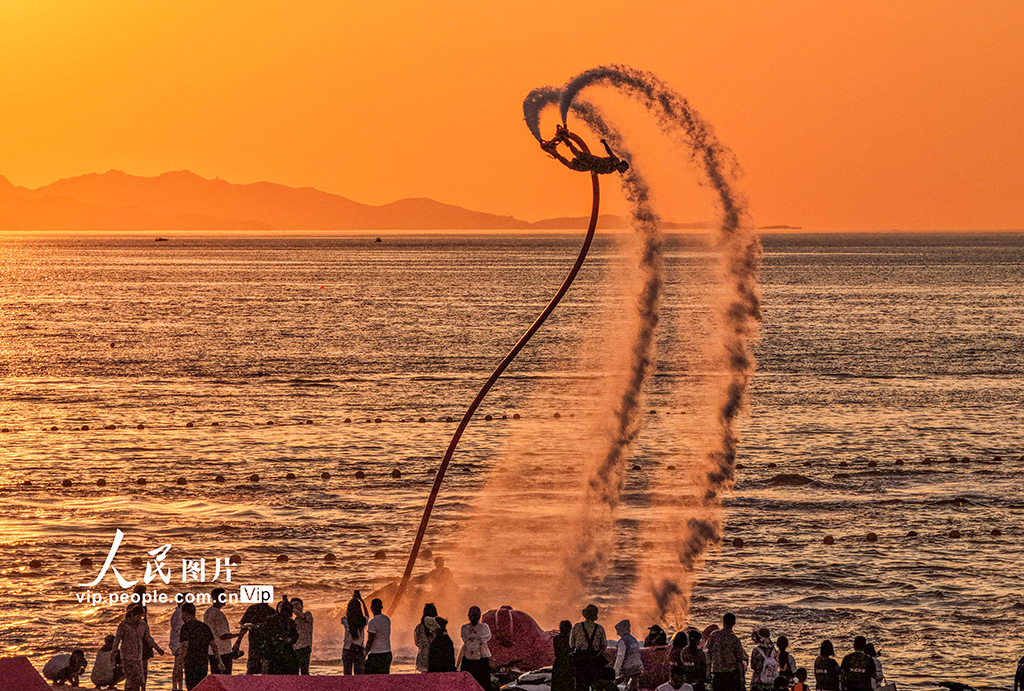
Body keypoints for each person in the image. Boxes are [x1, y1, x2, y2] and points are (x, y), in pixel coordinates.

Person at [541, 125, 630, 175]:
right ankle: (564, 138)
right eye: (623, 169)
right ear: (622, 164)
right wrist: (605, 143)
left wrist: (594, 172)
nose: (623, 171)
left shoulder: (611, 170)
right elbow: (609, 152)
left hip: (589, 166)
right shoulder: (615, 160)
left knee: (571, 166)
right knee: (578, 154)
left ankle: (555, 153)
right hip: (592, 160)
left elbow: (598, 171)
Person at [113, 604, 164, 691]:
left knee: (140, 679)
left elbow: (148, 638)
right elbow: (117, 639)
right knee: (131, 678)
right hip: (127, 656)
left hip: (138, 656)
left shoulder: (142, 625)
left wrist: (157, 648)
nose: (140, 619)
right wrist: (113, 653)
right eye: (138, 616)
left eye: (141, 617)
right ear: (132, 615)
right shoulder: (123, 625)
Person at [570, 604, 609, 691]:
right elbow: (604, 645)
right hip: (594, 662)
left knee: (581, 687)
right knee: (597, 686)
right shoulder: (600, 628)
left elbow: (571, 645)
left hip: (580, 662)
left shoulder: (577, 627)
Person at [178, 602, 215, 691]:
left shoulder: (186, 627)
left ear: (186, 613)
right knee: (201, 687)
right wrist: (219, 661)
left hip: (191, 663)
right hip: (203, 663)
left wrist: (180, 662)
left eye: (182, 614)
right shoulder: (204, 626)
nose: (181, 616)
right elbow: (214, 645)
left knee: (191, 687)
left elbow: (185, 646)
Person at [204, 588, 241, 676]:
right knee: (225, 677)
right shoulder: (218, 614)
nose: (225, 599)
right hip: (223, 652)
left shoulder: (208, 612)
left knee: (216, 676)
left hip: (212, 651)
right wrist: (239, 634)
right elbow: (223, 635)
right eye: (223, 597)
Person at [708, 613, 746, 691]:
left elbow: (709, 655)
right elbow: (739, 660)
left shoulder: (714, 636)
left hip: (718, 673)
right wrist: (742, 677)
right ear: (734, 623)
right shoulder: (734, 639)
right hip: (731, 674)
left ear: (723, 622)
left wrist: (708, 673)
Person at [238, 599, 276, 675]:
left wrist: (238, 641)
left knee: (254, 666)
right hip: (263, 642)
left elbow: (242, 625)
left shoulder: (253, 609)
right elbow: (242, 624)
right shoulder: (272, 611)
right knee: (263, 667)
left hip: (258, 642)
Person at [263, 598, 299, 674]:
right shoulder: (271, 620)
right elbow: (265, 635)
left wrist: (288, 639)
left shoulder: (290, 622)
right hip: (274, 651)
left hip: (285, 651)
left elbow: (295, 637)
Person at [460, 605, 492, 689]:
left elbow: (483, 638)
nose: (473, 618)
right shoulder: (467, 628)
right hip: (475, 658)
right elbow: (483, 638)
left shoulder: (483, 627)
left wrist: (473, 638)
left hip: (477, 658)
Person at [341, 591, 368, 675]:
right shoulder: (362, 621)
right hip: (359, 650)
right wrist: (362, 601)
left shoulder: (345, 620)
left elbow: (344, 615)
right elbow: (367, 615)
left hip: (347, 649)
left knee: (347, 675)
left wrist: (352, 601)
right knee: (359, 676)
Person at [614, 620, 644, 691]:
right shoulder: (634, 640)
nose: (617, 633)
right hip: (637, 668)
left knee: (628, 688)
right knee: (634, 687)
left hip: (629, 669)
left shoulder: (622, 641)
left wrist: (615, 672)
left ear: (622, 629)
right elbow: (637, 655)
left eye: (618, 630)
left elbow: (620, 657)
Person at [365, 598, 392, 674]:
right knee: (384, 679)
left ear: (371, 608)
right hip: (387, 653)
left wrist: (365, 653)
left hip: (376, 654)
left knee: (367, 676)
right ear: (381, 608)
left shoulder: (373, 622)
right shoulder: (387, 620)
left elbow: (370, 640)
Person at [414, 604, 439, 673]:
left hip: (423, 656)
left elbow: (417, 642)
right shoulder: (439, 626)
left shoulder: (419, 627)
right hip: (436, 656)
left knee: (425, 679)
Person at [292, 598, 314, 675]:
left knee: (305, 671)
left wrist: (293, 609)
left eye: (297, 605)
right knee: (294, 672)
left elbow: (301, 616)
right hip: (295, 647)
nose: (295, 607)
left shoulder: (307, 615)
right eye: (293, 605)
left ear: (302, 606)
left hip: (305, 647)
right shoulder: (293, 620)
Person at [552, 620, 574, 691]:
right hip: (569, 665)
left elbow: (556, 652)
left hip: (559, 665)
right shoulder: (571, 639)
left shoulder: (556, 639)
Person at [170, 602, 184, 691]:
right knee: (178, 666)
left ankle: (179, 686)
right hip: (178, 643)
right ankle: (176, 687)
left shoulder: (177, 614)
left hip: (177, 643)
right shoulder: (178, 615)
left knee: (179, 666)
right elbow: (178, 630)